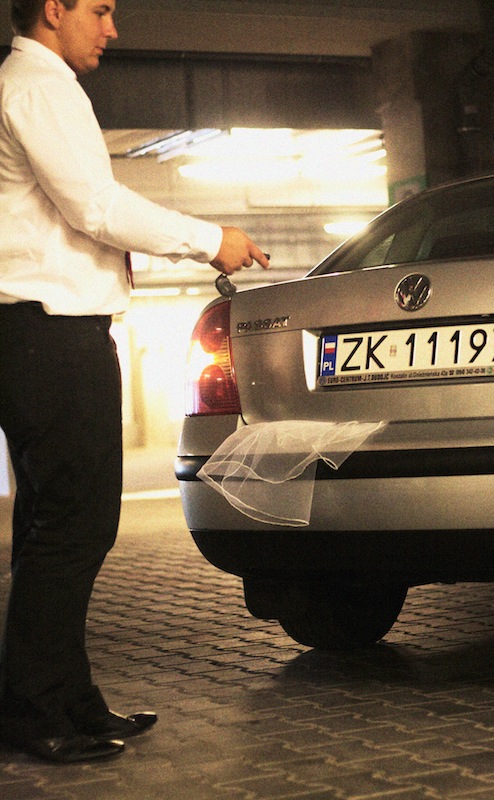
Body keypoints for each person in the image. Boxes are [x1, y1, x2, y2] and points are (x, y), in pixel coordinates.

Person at [0, 0, 270, 764]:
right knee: (75, 528)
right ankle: (34, 709)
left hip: (38, 332)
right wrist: (210, 240)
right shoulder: (39, 85)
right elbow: (96, 206)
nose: (112, 28)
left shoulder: (28, 83)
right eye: (100, 9)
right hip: (51, 333)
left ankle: (67, 698)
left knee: (53, 527)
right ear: (53, 8)